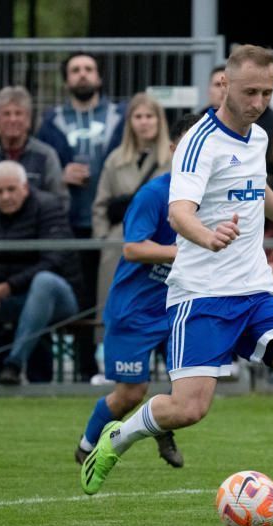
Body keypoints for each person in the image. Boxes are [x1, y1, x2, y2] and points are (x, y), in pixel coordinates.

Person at [80, 44, 273, 526]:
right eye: (250, 91)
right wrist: (207, 237)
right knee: (189, 410)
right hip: (203, 296)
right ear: (226, 85)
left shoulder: (257, 136)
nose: (258, 101)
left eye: (267, 93)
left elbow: (259, 186)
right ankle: (118, 437)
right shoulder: (198, 142)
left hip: (254, 291)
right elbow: (178, 213)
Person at [74, 114, 200, 468]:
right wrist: (185, 250)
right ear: (174, 150)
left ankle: (160, 424)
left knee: (190, 387)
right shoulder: (154, 194)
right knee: (130, 392)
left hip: (178, 307)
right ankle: (86, 445)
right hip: (135, 310)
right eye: (192, 145)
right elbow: (133, 249)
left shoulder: (210, 195)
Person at [37, 51, 125, 381]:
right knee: (77, 298)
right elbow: (43, 169)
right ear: (66, 80)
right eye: (75, 70)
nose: (82, 75)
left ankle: (108, 366)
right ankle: (79, 370)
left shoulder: (120, 115)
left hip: (111, 225)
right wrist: (60, 175)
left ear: (99, 77)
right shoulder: (51, 120)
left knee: (108, 295)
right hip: (67, 223)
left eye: (88, 69)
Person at [92, 93, 171, 350]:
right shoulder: (115, 159)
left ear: (159, 120)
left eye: (149, 116)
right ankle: (107, 351)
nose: (144, 122)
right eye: (138, 116)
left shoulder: (172, 158)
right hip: (120, 241)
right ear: (129, 122)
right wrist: (104, 239)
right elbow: (101, 205)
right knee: (113, 297)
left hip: (161, 239)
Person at [0, 160, 82, 385]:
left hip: (60, 297)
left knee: (44, 282)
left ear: (25, 187)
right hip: (11, 298)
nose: (5, 196)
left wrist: (6, 287)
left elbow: (54, 259)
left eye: (11, 189)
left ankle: (13, 364)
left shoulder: (48, 205)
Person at [0, 86, 67, 208]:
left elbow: (60, 200)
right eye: (6, 114)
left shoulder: (46, 155)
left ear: (28, 120)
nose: (12, 119)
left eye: (18, 113)